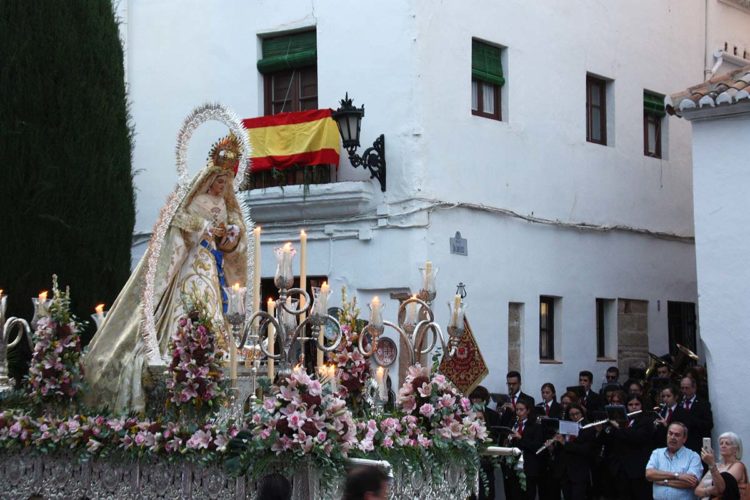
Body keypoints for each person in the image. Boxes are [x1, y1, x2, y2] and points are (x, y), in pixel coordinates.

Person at [83, 135, 248, 413]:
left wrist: (232, 234)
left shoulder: (228, 207)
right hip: (192, 261)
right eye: (219, 181)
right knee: (189, 301)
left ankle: (213, 354)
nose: (223, 186)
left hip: (212, 264)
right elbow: (181, 221)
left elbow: (233, 240)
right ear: (209, 179)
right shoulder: (198, 200)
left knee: (213, 307)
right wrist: (202, 227)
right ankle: (179, 351)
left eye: (227, 182)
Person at [603, 395, 654, 500]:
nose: (634, 407)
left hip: (637, 469)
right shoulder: (623, 419)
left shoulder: (646, 420)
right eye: (630, 405)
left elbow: (637, 437)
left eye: (637, 404)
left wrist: (618, 427)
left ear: (642, 406)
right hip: (621, 468)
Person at [550, 404, 596, 500]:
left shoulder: (588, 427)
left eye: (577, 414)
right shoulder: (564, 427)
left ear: (582, 413)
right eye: (571, 415)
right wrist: (552, 447)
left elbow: (584, 449)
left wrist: (564, 443)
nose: (575, 417)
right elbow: (560, 449)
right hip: (564, 470)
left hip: (578, 471)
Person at [645, 422, 703, 500]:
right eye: (670, 433)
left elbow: (690, 483)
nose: (673, 437)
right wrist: (678, 476)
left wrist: (663, 481)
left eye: (677, 435)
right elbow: (649, 474)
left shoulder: (693, 456)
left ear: (684, 439)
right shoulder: (657, 453)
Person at [503, 399, 543, 500]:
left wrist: (521, 438)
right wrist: (507, 441)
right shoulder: (513, 423)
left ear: (528, 411)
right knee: (513, 494)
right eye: (517, 410)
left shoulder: (535, 425)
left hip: (528, 467)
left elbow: (536, 446)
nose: (518, 412)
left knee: (528, 495)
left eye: (521, 410)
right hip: (513, 466)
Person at [694, 432, 747, 500]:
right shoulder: (717, 466)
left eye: (727, 443)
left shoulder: (738, 465)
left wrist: (711, 464)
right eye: (721, 443)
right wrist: (710, 491)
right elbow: (697, 491)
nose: (723, 445)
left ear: (736, 449)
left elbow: (722, 487)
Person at [469, 385, 500, 500]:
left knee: (487, 493)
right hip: (471, 461)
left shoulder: (493, 415)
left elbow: (496, 436)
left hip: (487, 460)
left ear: (484, 400)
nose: (475, 401)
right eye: (473, 399)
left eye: (478, 399)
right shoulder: (467, 414)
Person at [679, 375, 714, 454]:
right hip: (682, 444)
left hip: (697, 443)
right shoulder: (679, 403)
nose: (684, 391)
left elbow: (709, 424)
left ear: (694, 388)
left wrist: (691, 420)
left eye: (687, 388)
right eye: (682, 388)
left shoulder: (703, 403)